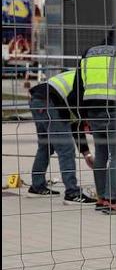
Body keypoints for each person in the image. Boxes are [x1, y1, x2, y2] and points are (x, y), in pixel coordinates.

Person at [73, 24, 116, 215]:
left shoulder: (88, 53)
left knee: (102, 154)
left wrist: (81, 111)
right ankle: (113, 200)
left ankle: (102, 198)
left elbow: (78, 84)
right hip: (115, 111)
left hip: (93, 111)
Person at [27, 68, 95, 204]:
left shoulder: (83, 74)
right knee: (66, 148)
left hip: (38, 99)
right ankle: (72, 193)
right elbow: (77, 122)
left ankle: (37, 186)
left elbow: (76, 124)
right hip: (49, 103)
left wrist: (86, 153)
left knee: (45, 146)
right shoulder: (89, 84)